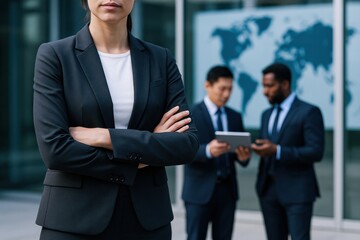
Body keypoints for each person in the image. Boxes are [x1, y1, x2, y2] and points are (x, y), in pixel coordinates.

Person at [33, 0, 199, 239]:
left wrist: (104, 136)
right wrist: (147, 148)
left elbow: (187, 144)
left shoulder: (160, 59)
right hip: (73, 219)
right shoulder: (55, 56)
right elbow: (55, 150)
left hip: (147, 221)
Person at [251, 62, 325, 240]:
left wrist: (277, 151)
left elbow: (316, 151)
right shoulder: (265, 115)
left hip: (297, 192)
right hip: (268, 191)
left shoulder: (309, 112)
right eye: (263, 86)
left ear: (285, 84)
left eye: (269, 86)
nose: (264, 91)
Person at [182, 65, 251, 240]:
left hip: (227, 192)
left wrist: (243, 157)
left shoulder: (235, 116)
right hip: (198, 192)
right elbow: (181, 151)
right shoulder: (190, 114)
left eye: (230, 89)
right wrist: (207, 151)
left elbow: (240, 156)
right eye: (222, 89)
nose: (227, 94)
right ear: (208, 86)